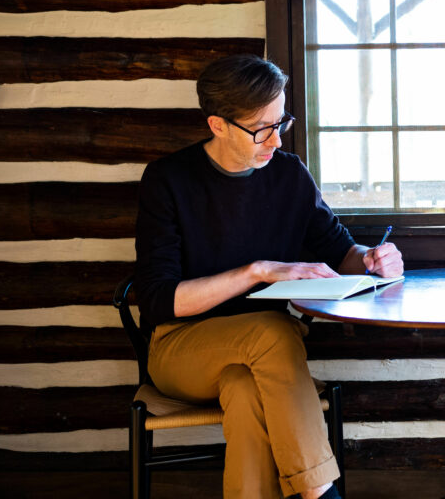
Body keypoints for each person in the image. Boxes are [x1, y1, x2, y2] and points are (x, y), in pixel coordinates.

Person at [133, 54, 403, 499]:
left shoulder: (289, 175)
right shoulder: (168, 179)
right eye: (262, 128)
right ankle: (320, 492)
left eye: (282, 122)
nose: (275, 140)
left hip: (262, 360)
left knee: (245, 390)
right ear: (218, 124)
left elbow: (340, 250)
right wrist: (256, 271)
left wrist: (374, 259)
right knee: (275, 330)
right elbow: (161, 299)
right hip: (180, 349)